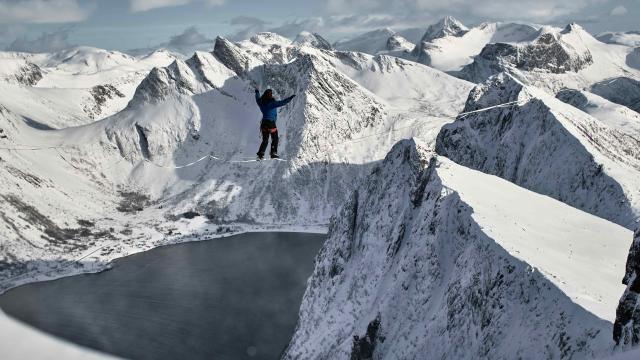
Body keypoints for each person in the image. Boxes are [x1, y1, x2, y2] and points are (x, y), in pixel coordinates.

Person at [254, 88, 295, 160]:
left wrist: (257, 92)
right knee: (275, 138)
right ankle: (273, 153)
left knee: (265, 140)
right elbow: (282, 102)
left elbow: (257, 98)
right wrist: (290, 98)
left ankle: (260, 155)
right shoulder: (272, 104)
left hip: (263, 123)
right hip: (271, 123)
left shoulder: (261, 103)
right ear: (270, 96)